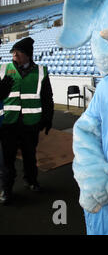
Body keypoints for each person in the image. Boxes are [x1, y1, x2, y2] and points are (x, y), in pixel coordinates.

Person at [0, 37, 54, 205]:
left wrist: (48, 118)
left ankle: (31, 181)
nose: (14, 54)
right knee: (6, 160)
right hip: (8, 124)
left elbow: (47, 98)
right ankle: (6, 189)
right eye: (13, 52)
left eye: (19, 52)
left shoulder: (41, 71)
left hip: (31, 123)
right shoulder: (2, 70)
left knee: (30, 156)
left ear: (28, 55)